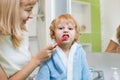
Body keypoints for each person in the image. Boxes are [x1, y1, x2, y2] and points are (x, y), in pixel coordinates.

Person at [0, 0, 56, 80]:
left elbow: (24, 66)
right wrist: (37, 59)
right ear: (12, 10)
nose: (31, 16)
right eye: (28, 10)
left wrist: (42, 58)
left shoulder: (22, 31)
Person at [36, 13, 91, 80]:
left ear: (76, 34)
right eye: (61, 28)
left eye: (70, 28)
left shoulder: (80, 51)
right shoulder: (49, 54)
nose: (65, 31)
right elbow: (42, 77)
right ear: (53, 34)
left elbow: (86, 74)